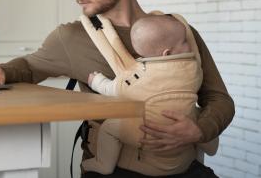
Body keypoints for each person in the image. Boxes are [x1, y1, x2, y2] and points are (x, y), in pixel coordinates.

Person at [0, 0, 235, 177]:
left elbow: (219, 99)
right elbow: (28, 67)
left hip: (183, 167)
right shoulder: (71, 38)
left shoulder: (178, 32)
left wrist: (199, 129)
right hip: (114, 169)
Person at [82, 14, 205, 175]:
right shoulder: (194, 70)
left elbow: (114, 89)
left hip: (148, 133)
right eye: (185, 42)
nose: (189, 44)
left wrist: (96, 81)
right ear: (166, 53)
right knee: (201, 115)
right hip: (185, 129)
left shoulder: (139, 77)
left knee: (109, 128)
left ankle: (103, 163)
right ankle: (208, 143)